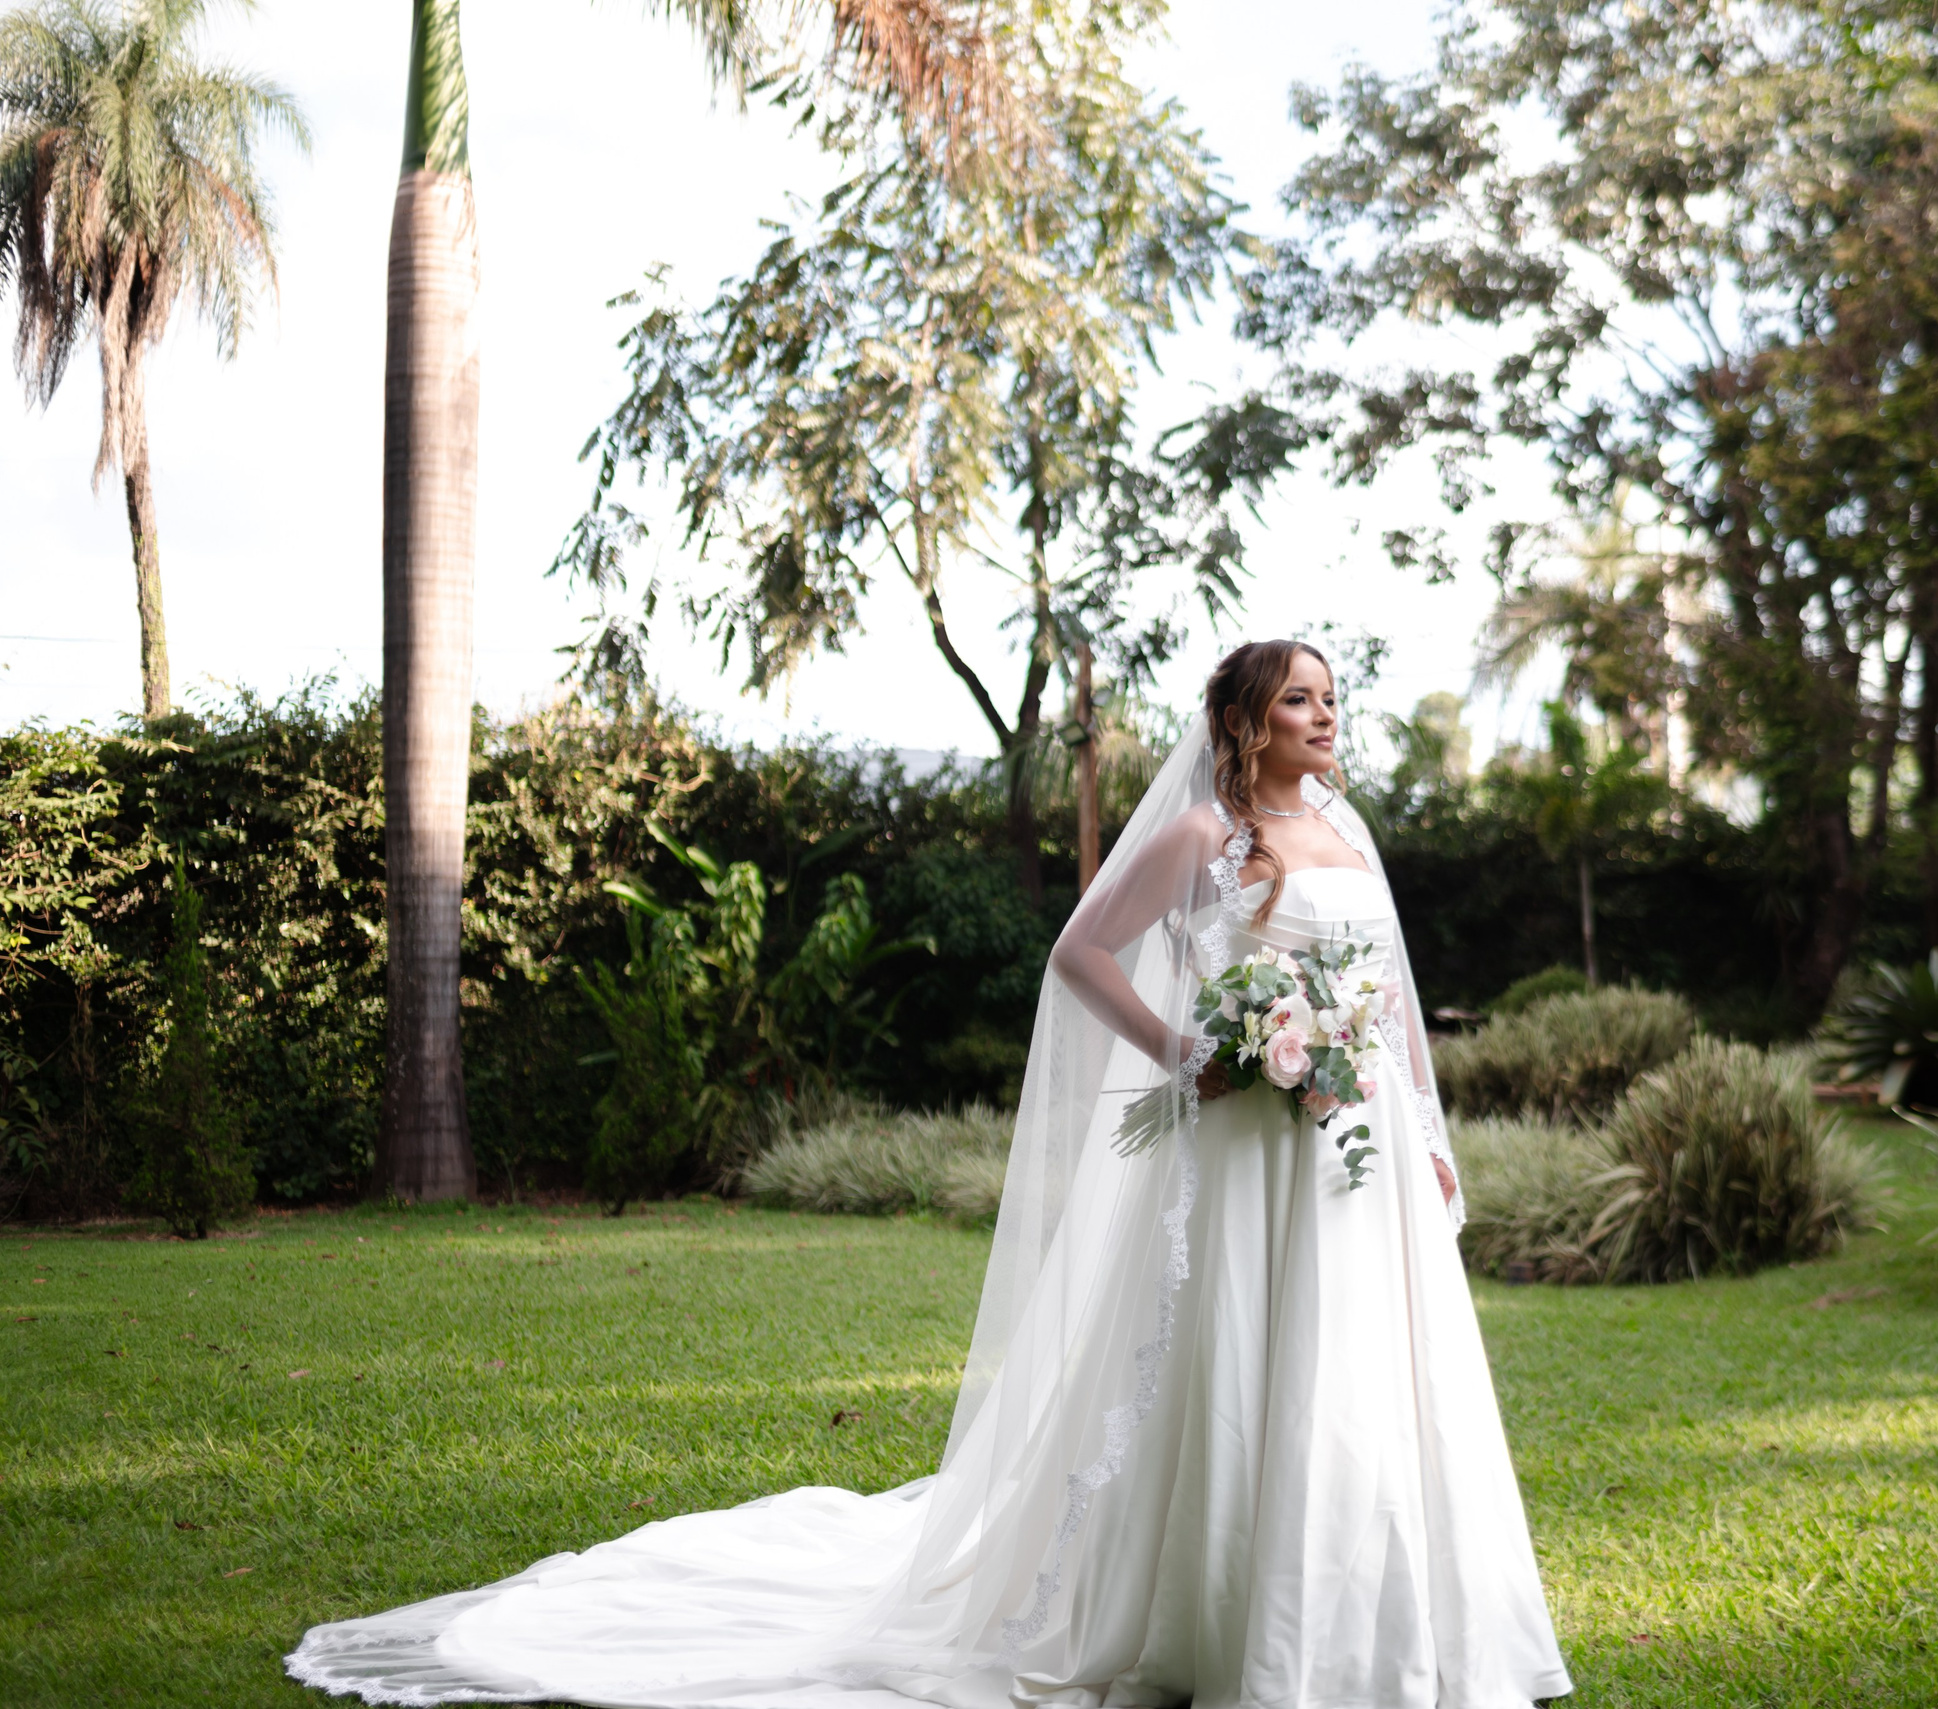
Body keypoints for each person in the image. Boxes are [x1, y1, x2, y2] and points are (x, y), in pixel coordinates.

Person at [287, 639, 1572, 1709]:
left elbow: (1389, 995)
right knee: (1249, 1359)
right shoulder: (1204, 832)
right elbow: (1083, 953)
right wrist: (1193, 1049)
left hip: (1363, 1156)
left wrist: (1432, 1140)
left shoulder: (1346, 833)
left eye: (1330, 696)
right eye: (1300, 696)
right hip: (1247, 1147)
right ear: (1243, 719)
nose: (1324, 714)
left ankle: (1380, 1608)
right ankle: (1230, 1614)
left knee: (1362, 1373)